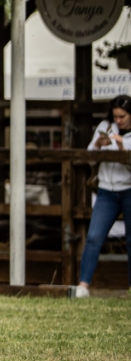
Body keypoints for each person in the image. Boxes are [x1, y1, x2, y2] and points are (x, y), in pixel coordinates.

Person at [75, 95, 131, 298]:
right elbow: (90, 156)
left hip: (129, 189)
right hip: (107, 190)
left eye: (122, 116)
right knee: (93, 237)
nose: (118, 121)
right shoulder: (105, 126)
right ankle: (83, 286)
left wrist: (123, 150)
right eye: (115, 116)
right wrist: (99, 144)